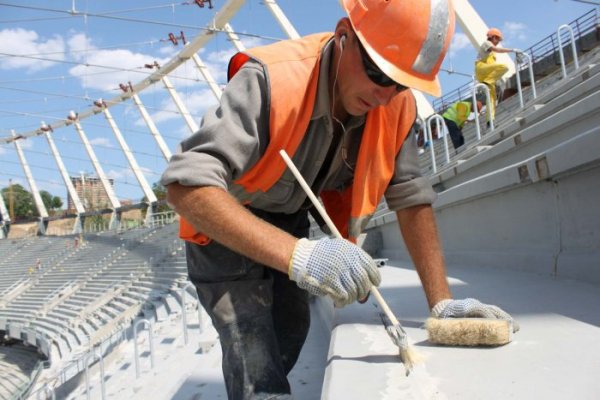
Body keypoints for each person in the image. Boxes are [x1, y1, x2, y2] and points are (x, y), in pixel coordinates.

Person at [162, 1, 517, 398]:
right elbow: (186, 184)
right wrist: (302, 257)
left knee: (291, 330)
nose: (384, 95)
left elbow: (410, 195)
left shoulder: (394, 107)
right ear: (344, 35)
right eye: (376, 73)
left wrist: (441, 302)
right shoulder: (271, 78)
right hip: (225, 229)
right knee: (253, 354)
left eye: (399, 83)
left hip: (288, 222)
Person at [475, 27, 522, 122]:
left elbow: (494, 69)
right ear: (493, 37)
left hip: (487, 74)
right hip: (481, 68)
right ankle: (487, 82)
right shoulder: (487, 43)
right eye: (498, 39)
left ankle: (490, 120)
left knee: (492, 98)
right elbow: (497, 49)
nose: (498, 42)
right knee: (504, 67)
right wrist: (512, 50)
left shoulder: (492, 54)